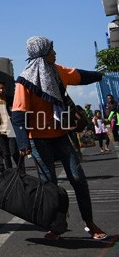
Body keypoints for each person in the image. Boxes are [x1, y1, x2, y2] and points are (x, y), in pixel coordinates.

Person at [11, 36, 106, 240]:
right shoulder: (24, 80)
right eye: (52, 50)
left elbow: (80, 75)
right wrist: (23, 142)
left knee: (78, 178)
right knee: (50, 186)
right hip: (38, 139)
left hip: (61, 135)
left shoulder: (58, 71)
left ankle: (89, 223)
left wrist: (100, 75)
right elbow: (18, 114)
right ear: (43, 54)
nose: (55, 53)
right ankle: (55, 226)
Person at [0, 81, 22, 173]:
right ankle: (9, 173)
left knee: (14, 152)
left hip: (12, 130)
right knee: (5, 154)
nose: (1, 90)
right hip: (0, 131)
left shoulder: (12, 100)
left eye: (3, 88)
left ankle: (21, 171)